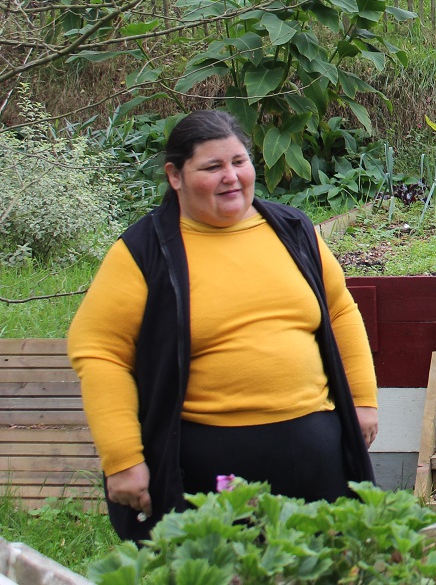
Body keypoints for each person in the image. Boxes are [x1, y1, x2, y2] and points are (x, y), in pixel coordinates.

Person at [68, 110, 378, 541]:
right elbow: (100, 351)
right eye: (212, 167)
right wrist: (123, 458)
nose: (231, 177)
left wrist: (363, 399)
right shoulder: (144, 251)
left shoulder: (293, 230)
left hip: (316, 456)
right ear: (175, 176)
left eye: (239, 161)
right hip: (206, 471)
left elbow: (340, 310)